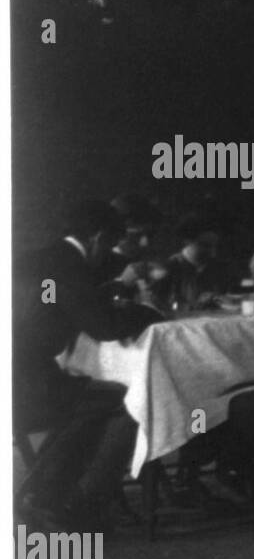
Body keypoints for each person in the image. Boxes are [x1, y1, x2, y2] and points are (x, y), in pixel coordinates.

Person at [13, 199, 160, 527]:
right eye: (108, 243)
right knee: (127, 399)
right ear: (98, 237)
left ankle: (49, 488)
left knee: (96, 398)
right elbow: (105, 327)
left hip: (19, 375)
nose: (106, 253)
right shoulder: (69, 265)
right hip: (24, 387)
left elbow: (69, 305)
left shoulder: (38, 258)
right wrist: (150, 311)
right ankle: (77, 503)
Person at [154, 213, 236, 312]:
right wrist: (195, 305)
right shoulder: (169, 268)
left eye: (215, 246)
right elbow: (161, 305)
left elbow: (229, 299)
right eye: (205, 246)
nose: (213, 253)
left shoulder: (219, 268)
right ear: (187, 241)